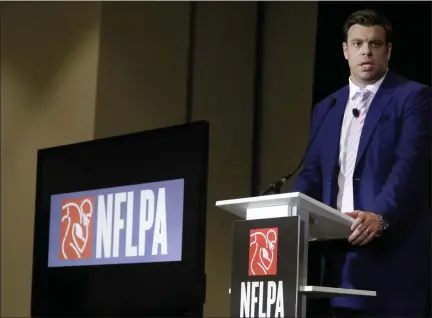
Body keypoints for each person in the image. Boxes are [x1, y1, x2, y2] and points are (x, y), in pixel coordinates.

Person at [292, 8, 432, 317]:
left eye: (375, 43)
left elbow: (410, 166)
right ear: (345, 51)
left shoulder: (413, 97)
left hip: (391, 254)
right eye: (357, 44)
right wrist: (288, 215)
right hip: (339, 257)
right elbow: (313, 173)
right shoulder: (327, 107)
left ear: (388, 50)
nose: (366, 51)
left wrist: (380, 216)